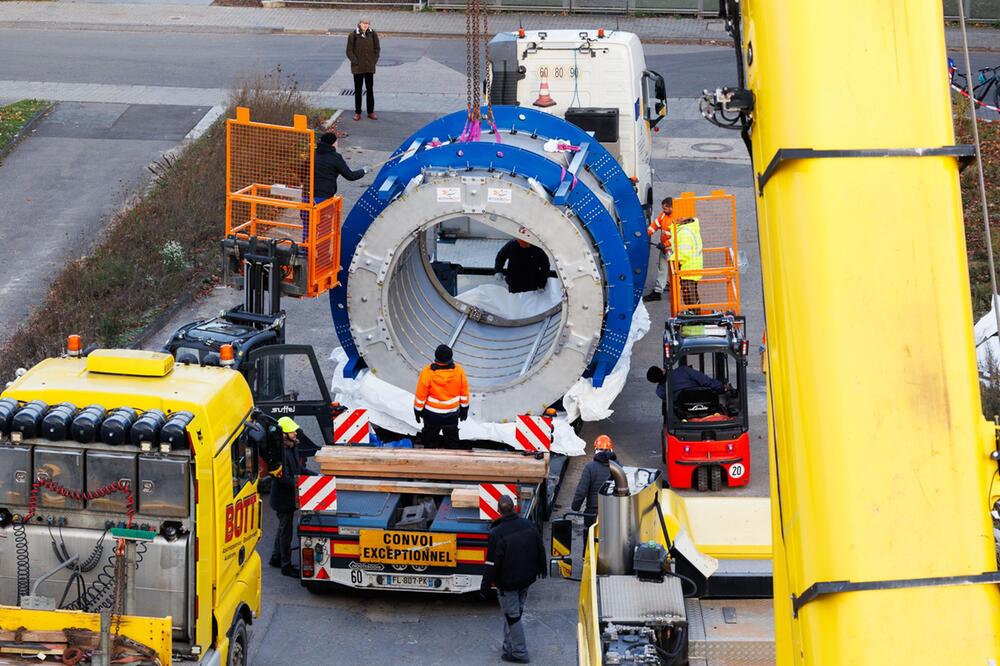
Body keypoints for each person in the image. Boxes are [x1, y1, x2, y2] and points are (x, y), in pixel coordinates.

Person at [481, 495, 546, 664]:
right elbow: (540, 548)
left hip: (508, 583)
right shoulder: (528, 525)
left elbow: (491, 564)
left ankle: (519, 652)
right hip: (526, 579)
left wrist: (485, 587)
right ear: (514, 508)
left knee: (512, 616)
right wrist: (542, 569)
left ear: (498, 510)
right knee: (514, 613)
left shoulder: (497, 533)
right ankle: (508, 646)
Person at [269, 416, 309, 577]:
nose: (295, 433)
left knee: (282, 527)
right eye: (292, 431)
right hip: (283, 500)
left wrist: (316, 476)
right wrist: (300, 483)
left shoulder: (293, 447)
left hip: (289, 497)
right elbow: (281, 478)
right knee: (286, 532)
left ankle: (275, 556)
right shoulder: (280, 454)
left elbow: (298, 469)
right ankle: (286, 565)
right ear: (284, 434)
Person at [413, 344, 470, 449]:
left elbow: (421, 395)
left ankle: (429, 460)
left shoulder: (427, 371)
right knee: (452, 441)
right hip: (451, 414)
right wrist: (464, 409)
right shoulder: (459, 371)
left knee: (429, 440)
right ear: (450, 358)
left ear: (436, 357)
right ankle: (452, 460)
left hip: (432, 415)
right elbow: (464, 393)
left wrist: (417, 411)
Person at [570, 435, 617, 531]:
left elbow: (581, 491)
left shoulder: (590, 467)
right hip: (613, 511)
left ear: (595, 450)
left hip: (592, 512)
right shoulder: (618, 467)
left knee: (589, 538)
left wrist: (575, 507)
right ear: (611, 450)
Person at [346, 18, 380, 121]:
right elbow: (349, 51)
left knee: (370, 90)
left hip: (369, 66)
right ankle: (358, 112)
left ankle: (371, 112)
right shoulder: (353, 35)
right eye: (364, 23)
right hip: (358, 67)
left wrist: (374, 60)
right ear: (360, 24)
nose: (365, 25)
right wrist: (355, 61)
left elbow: (377, 49)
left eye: (367, 23)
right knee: (358, 90)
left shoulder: (373, 34)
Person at [644, 197, 675, 302]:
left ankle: (660, 291)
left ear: (671, 207)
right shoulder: (663, 214)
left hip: (672, 250)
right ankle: (662, 289)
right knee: (664, 269)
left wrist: (665, 245)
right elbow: (655, 225)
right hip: (666, 248)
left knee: (667, 269)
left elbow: (676, 238)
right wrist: (646, 234)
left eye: (666, 209)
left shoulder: (676, 219)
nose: (664, 211)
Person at [674, 215, 703, 307]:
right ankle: (695, 313)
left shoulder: (684, 233)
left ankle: (695, 315)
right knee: (692, 293)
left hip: (688, 269)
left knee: (689, 295)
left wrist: (670, 256)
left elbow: (683, 254)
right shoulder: (690, 227)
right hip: (693, 267)